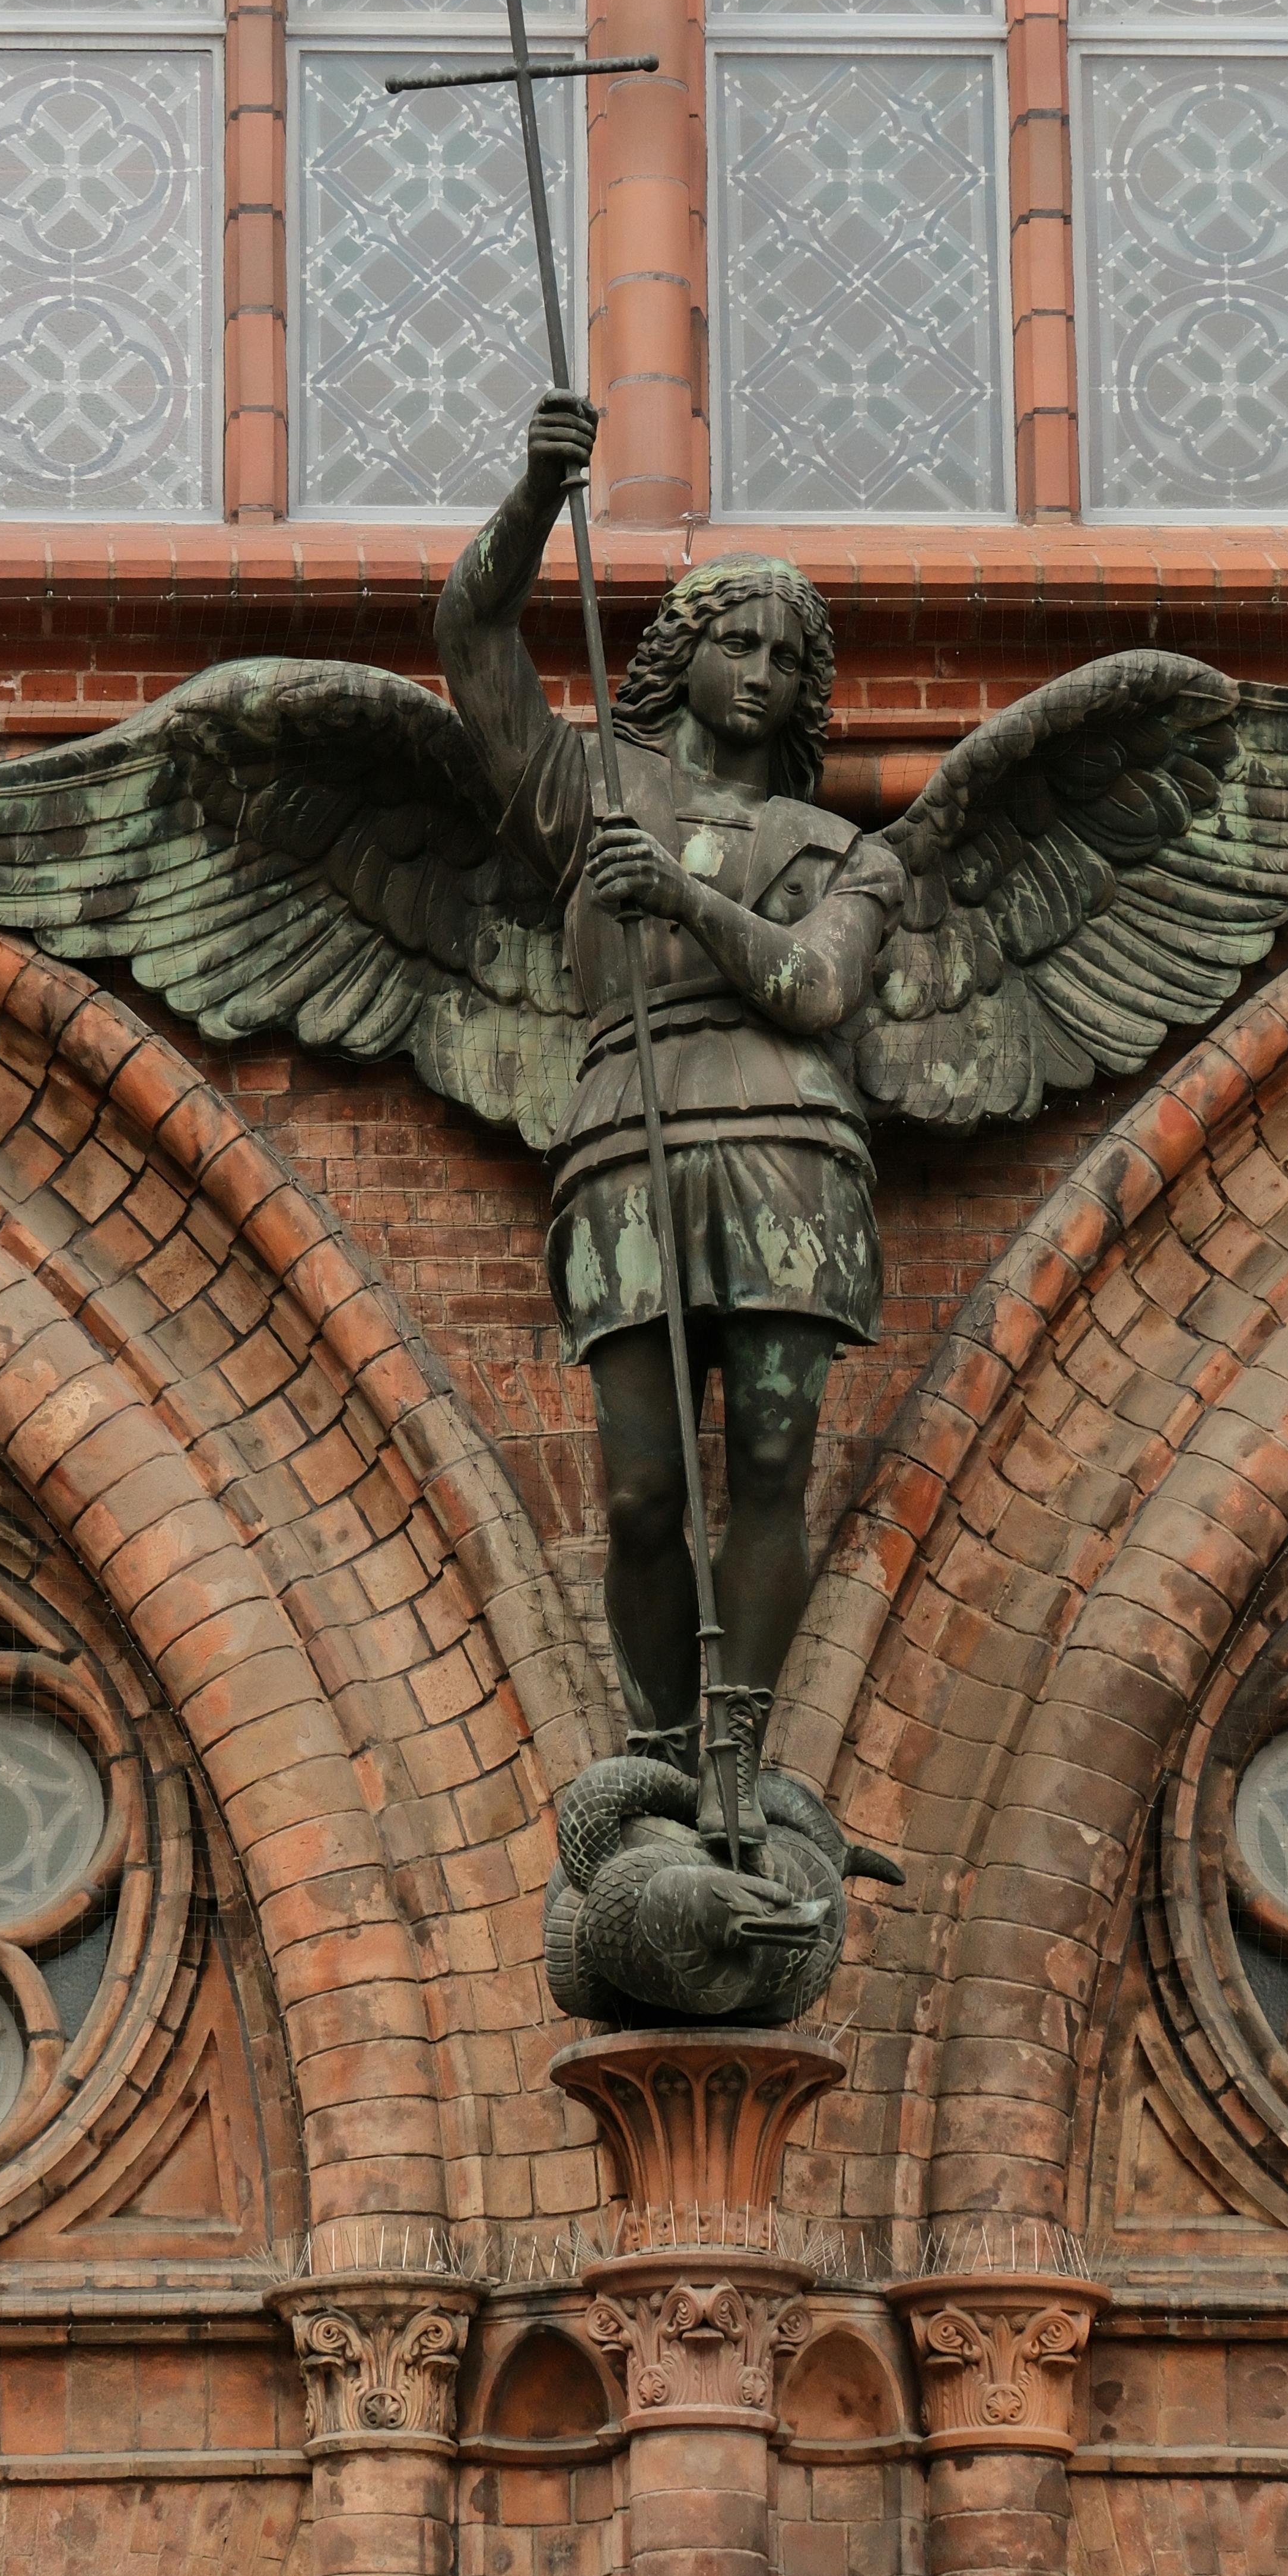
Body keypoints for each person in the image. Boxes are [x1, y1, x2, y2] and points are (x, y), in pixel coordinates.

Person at [437, 395, 904, 1740]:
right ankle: (659, 1745)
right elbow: (469, 635)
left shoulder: (844, 847)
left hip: (789, 1149)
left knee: (766, 1456)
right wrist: (534, 494)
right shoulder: (588, 791)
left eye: (784, 654)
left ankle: (740, 1751)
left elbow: (815, 986)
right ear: (679, 652)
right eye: (734, 639)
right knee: (642, 1491)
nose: (760, 669)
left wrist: (688, 903)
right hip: (623, 1135)